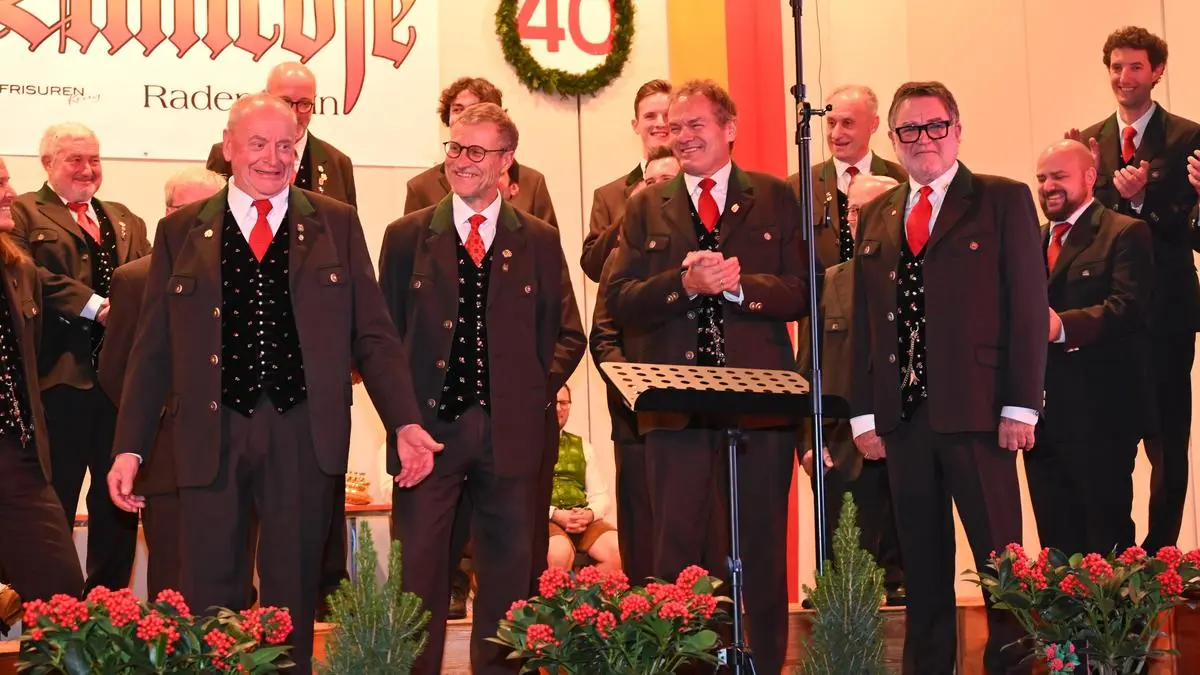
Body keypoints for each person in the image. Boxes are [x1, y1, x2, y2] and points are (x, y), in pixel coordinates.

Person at [106, 93, 442, 674]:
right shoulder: (180, 230)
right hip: (209, 434)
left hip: (302, 433)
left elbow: (374, 335)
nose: (273, 158)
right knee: (208, 593)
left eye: (285, 145)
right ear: (229, 147)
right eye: (258, 144)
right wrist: (130, 448)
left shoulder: (335, 221)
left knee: (293, 595)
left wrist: (406, 421)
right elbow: (152, 350)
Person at [604, 79, 808, 675]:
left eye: (696, 125)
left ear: (729, 128)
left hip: (762, 409)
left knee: (761, 547)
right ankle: (685, 666)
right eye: (674, 127)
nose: (682, 136)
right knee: (679, 556)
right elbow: (620, 300)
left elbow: (805, 290)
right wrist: (684, 285)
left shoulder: (776, 197)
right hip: (675, 409)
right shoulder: (646, 205)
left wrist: (742, 287)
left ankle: (763, 664)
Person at [379, 101, 584, 675]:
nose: (461, 160)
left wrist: (528, 395)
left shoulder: (539, 239)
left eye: (475, 151)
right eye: (454, 148)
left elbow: (569, 334)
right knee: (418, 575)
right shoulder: (406, 236)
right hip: (428, 436)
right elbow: (381, 340)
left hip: (512, 437)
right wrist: (404, 420)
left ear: (506, 159)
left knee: (509, 577)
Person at [850, 81, 1047, 675]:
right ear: (893, 139)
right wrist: (864, 413)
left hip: (981, 414)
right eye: (909, 129)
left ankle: (1010, 668)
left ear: (957, 131)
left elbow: (1028, 307)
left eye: (935, 126)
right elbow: (864, 319)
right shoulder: (880, 212)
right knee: (921, 567)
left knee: (1000, 565)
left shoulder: (1001, 199)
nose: (923, 139)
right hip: (904, 420)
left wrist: (1021, 405)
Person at [1066, 26, 1200, 555]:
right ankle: (1114, 556)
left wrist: (1144, 204)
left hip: (1167, 316)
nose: (1124, 77)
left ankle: (1162, 553)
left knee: (1168, 440)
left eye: (1136, 67)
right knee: (1108, 441)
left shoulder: (1188, 138)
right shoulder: (1089, 142)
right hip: (1107, 319)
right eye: (1116, 67)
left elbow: (1193, 231)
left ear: (1157, 72)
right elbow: (1081, 228)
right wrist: (1075, 184)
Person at [10, 122, 152, 593]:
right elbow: (28, 273)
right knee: (56, 503)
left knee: (118, 503)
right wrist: (96, 306)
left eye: (94, 159)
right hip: (59, 383)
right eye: (75, 159)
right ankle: (53, 614)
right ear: (47, 162)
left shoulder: (126, 217)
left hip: (120, 387)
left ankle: (109, 607)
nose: (88, 169)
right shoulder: (24, 211)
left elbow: (150, 277)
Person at [97, 167, 227, 600]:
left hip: (238, 456)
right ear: (167, 214)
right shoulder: (136, 278)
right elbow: (117, 370)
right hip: (166, 462)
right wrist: (157, 425)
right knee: (174, 586)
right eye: (188, 210)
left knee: (232, 584)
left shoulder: (248, 275)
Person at [1023, 139, 1154, 557]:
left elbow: (1128, 308)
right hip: (1040, 420)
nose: (1048, 186)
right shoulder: (1030, 240)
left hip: (1102, 414)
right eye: (1042, 178)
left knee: (1106, 541)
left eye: (1059, 176)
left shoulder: (1124, 232)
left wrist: (1062, 326)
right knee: (1054, 545)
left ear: (1090, 177)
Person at [797, 173, 905, 606]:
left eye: (876, 208)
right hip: (839, 448)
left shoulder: (919, 279)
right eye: (856, 210)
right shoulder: (827, 283)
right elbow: (807, 369)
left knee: (906, 583)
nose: (863, 218)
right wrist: (809, 441)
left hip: (906, 443)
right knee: (839, 588)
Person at [587, 149, 681, 586]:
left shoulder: (704, 252)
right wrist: (638, 388)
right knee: (640, 535)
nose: (659, 190)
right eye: (651, 182)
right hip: (634, 416)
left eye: (669, 181)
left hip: (693, 418)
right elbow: (603, 337)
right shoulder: (618, 257)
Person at [0, 156, 84, 608]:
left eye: (8, 181)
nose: (11, 193)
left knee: (61, 594)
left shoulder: (19, 269)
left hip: (19, 458)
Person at [404, 76, 557, 227]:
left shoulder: (532, 183)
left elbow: (544, 239)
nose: (465, 116)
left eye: (475, 109)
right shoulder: (421, 188)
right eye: (457, 109)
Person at [787, 84, 907, 269]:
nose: (836, 134)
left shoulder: (902, 180)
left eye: (847, 123)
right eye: (831, 123)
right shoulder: (798, 186)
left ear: (873, 124)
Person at [207, 62, 357, 208]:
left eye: (304, 103)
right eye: (285, 102)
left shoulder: (338, 164)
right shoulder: (226, 155)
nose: (294, 113)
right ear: (264, 97)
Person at [580, 79, 672, 281]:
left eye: (667, 115)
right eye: (650, 116)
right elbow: (593, 268)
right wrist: (630, 211)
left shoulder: (698, 184)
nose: (660, 123)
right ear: (635, 125)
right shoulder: (608, 196)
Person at [547, 385, 619, 572]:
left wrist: (589, 514)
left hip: (582, 520)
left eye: (564, 403)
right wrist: (555, 514)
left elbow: (600, 495)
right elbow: (523, 496)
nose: (558, 408)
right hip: (546, 520)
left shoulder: (583, 446)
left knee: (618, 550)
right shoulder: (527, 446)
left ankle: (584, 591)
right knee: (559, 553)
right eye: (554, 402)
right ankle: (561, 593)